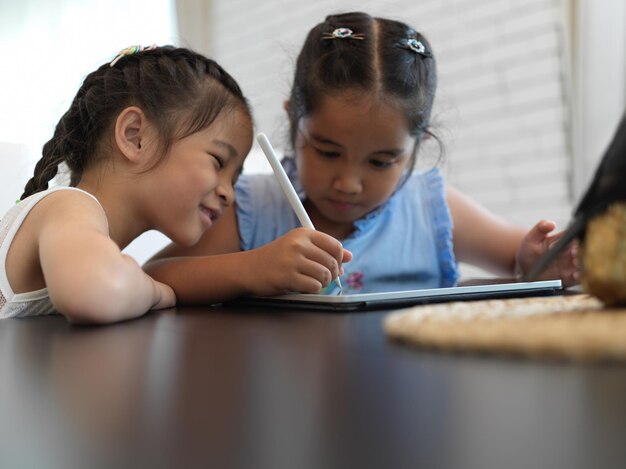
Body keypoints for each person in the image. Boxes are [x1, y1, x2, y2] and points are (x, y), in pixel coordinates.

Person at [145, 12, 578, 302]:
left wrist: (535, 258)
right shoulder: (254, 209)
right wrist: (251, 268)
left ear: (417, 146)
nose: (348, 182)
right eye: (328, 151)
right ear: (294, 123)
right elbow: (153, 278)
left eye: (381, 161)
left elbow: (523, 263)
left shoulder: (431, 208)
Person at [0, 45, 255, 323]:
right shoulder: (69, 205)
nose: (228, 193)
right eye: (218, 162)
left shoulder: (84, 236)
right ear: (135, 136)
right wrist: (159, 292)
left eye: (235, 177)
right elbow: (92, 292)